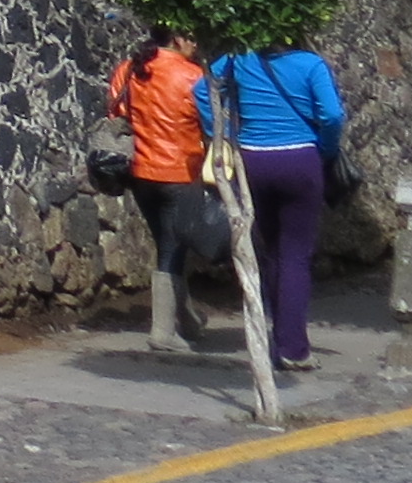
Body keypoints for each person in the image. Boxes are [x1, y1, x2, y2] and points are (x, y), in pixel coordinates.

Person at [203, 34, 347, 375]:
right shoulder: (311, 65)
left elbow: (202, 90)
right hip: (300, 160)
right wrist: (325, 149)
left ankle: (278, 334)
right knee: (296, 253)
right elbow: (332, 116)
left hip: (253, 160)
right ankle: (292, 348)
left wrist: (223, 133)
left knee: (272, 252)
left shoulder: (239, 59)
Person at [110, 30, 207, 351]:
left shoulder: (128, 69)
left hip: (139, 172)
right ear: (177, 38)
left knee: (167, 243)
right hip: (179, 171)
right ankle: (163, 332)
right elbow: (209, 123)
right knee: (173, 247)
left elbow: (116, 114)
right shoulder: (193, 75)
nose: (196, 44)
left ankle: (188, 319)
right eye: (191, 37)